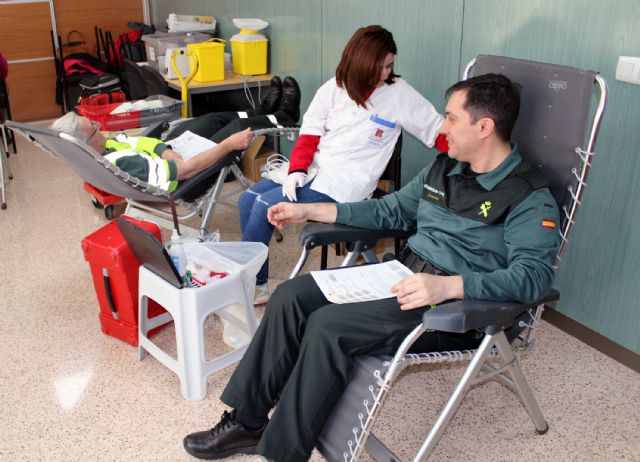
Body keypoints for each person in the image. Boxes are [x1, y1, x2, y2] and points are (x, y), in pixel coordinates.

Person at [182, 73, 561, 462]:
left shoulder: (529, 196)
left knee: (329, 326)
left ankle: (282, 453)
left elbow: (534, 278)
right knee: (292, 295)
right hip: (404, 276)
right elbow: (388, 210)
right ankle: (247, 423)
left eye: (450, 118)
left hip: (455, 308)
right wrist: (310, 209)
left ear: (484, 127)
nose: (442, 128)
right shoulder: (444, 168)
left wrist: (450, 287)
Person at [238, 25, 448, 304]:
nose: (386, 73)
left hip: (349, 181)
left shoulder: (399, 93)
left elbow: (437, 132)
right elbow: (310, 132)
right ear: (360, 64)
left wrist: (476, 153)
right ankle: (256, 280)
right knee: (247, 199)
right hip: (316, 169)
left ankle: (252, 285)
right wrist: (297, 169)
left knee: (265, 205)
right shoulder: (334, 88)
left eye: (390, 65)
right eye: (381, 67)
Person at [50, 112, 253, 191]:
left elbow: (138, 142)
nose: (98, 124)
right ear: (87, 142)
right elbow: (186, 170)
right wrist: (228, 145)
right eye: (93, 127)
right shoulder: (121, 162)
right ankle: (280, 116)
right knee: (235, 129)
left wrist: (165, 151)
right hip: (184, 181)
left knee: (210, 119)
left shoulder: (105, 146)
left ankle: (261, 109)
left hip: (169, 158)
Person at [164, 74, 301, 144]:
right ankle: (284, 116)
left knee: (212, 119)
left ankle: (261, 112)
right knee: (238, 126)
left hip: (165, 146)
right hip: (183, 165)